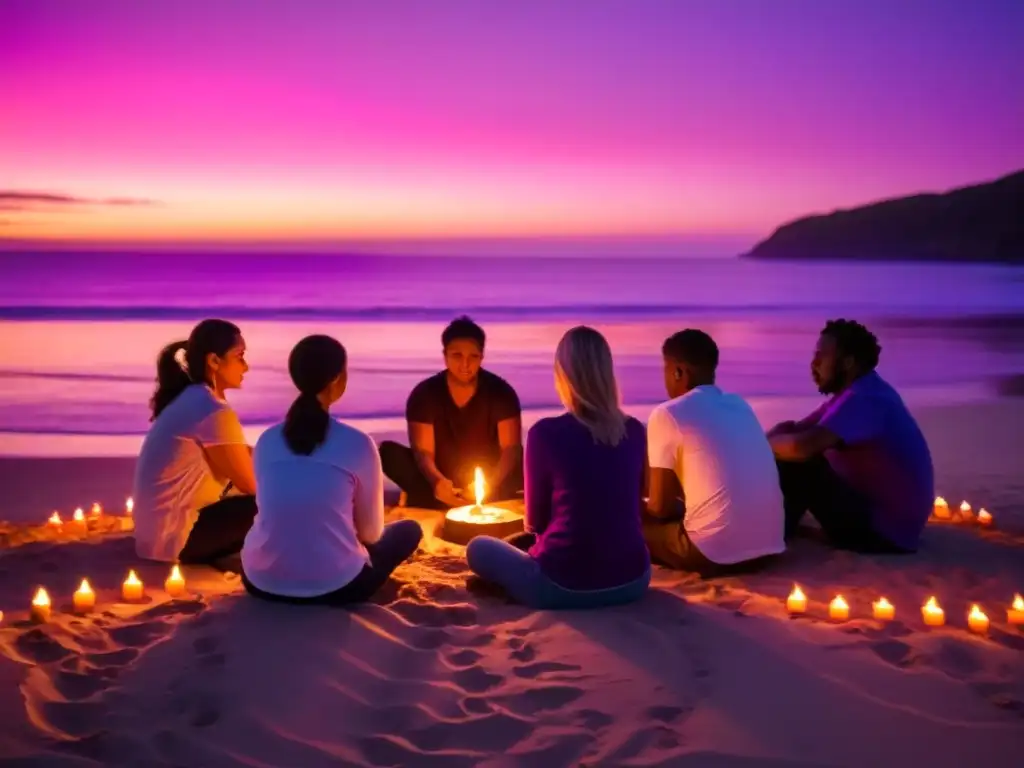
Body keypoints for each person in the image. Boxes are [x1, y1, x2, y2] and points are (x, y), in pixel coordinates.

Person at [466, 326, 650, 609]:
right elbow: (635, 505)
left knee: (478, 547)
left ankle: (509, 584)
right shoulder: (635, 430)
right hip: (633, 581)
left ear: (563, 375)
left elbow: (536, 523)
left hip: (562, 586)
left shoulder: (545, 434)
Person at [241, 335, 422, 605]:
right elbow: (371, 534)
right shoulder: (358, 444)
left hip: (262, 582)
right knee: (409, 530)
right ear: (337, 379)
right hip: (340, 586)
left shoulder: (266, 441)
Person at [767, 319, 934, 553]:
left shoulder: (865, 399)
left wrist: (766, 443)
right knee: (788, 453)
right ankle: (772, 525)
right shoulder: (857, 392)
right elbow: (796, 429)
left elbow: (801, 447)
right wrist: (774, 440)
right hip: (882, 518)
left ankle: (769, 533)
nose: (813, 364)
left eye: (821, 356)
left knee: (802, 462)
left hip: (884, 533)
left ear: (847, 363)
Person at [644, 329, 785, 576]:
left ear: (678, 372)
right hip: (769, 547)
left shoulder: (668, 413)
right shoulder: (739, 405)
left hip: (714, 554)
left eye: (665, 370)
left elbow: (660, 508)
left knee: (626, 523)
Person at [133, 319, 258, 564]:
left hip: (154, 539)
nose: (246, 366)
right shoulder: (211, 410)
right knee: (282, 504)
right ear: (214, 361)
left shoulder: (193, 399)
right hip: (178, 540)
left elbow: (241, 455)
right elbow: (252, 486)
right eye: (239, 356)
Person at [379, 316, 523, 509]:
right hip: (442, 474)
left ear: (482, 356)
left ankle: (434, 500)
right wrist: (437, 481)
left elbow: (510, 449)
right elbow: (423, 451)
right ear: (445, 355)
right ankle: (437, 496)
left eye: (473, 356)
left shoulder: (500, 391)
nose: (465, 365)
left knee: (533, 455)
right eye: (457, 356)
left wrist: (491, 483)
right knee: (388, 453)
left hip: (489, 476)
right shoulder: (425, 393)